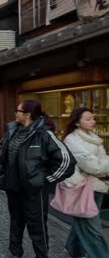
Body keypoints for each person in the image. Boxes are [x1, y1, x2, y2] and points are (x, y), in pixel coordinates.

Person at [0, 99, 76, 258]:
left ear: (27, 115)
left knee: (37, 226)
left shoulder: (44, 135)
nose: (15, 114)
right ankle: (15, 252)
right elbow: (5, 154)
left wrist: (45, 179)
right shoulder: (13, 130)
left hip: (34, 191)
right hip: (13, 187)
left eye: (17, 111)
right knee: (16, 223)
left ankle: (41, 255)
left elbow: (67, 161)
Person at [62, 108, 109, 258]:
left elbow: (102, 160)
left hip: (97, 185)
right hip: (83, 186)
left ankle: (73, 248)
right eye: (88, 119)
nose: (93, 122)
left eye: (93, 118)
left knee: (83, 220)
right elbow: (91, 165)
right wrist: (102, 169)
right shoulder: (72, 139)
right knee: (92, 227)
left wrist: (103, 169)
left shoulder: (93, 137)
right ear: (77, 122)